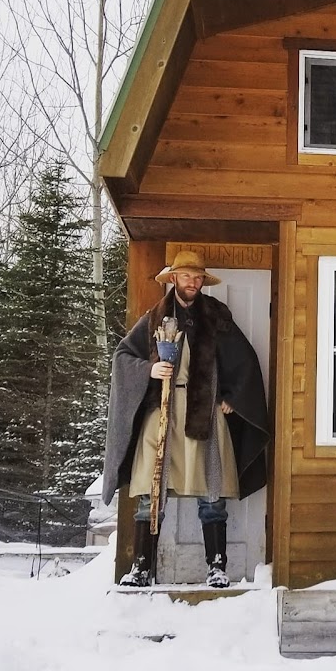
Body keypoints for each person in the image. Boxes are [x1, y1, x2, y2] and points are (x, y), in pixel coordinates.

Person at [101, 251, 269, 588]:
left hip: (204, 412)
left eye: (197, 277)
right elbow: (123, 357)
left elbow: (245, 360)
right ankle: (141, 567)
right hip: (162, 413)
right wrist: (150, 369)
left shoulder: (216, 316)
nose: (192, 282)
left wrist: (232, 398)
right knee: (151, 490)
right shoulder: (154, 318)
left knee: (212, 491)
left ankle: (216, 567)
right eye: (186, 276)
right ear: (174, 278)